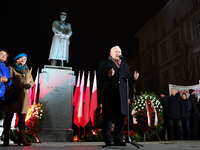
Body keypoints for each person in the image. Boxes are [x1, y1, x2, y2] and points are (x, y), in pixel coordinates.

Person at [97, 46, 139, 146]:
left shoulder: (125, 66)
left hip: (122, 96)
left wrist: (134, 79)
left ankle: (118, 140)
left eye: (119, 51)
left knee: (121, 117)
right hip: (110, 95)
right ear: (111, 53)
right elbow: (99, 76)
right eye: (116, 51)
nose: (118, 53)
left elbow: (127, 79)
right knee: (108, 118)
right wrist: (108, 74)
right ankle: (108, 140)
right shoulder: (104, 63)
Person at [3, 53, 34, 146]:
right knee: (9, 117)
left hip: (23, 97)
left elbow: (31, 81)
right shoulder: (11, 68)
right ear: (16, 59)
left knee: (22, 118)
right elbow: (10, 81)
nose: (24, 60)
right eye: (22, 58)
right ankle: (6, 139)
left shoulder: (27, 70)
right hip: (13, 96)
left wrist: (29, 85)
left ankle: (22, 139)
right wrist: (22, 86)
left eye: (25, 58)